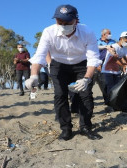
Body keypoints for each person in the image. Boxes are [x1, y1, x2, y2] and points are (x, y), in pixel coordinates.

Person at [25, 4, 102, 141]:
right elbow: (40, 56)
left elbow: (93, 59)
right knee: (60, 95)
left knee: (85, 95)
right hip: (58, 65)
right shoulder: (48, 32)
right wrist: (34, 75)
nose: (63, 25)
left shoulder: (87, 32)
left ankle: (85, 127)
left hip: (81, 64)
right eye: (59, 22)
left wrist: (86, 79)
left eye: (67, 22)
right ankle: (66, 129)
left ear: (76, 20)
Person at [101, 31, 127, 97]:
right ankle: (110, 104)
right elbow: (114, 59)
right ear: (121, 38)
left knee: (117, 88)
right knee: (110, 87)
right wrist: (125, 65)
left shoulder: (125, 49)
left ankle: (115, 103)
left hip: (117, 71)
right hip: (108, 70)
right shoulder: (113, 47)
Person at [94, 29, 116, 106]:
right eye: (109, 33)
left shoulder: (113, 42)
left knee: (112, 83)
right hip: (100, 64)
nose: (110, 34)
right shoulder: (96, 42)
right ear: (103, 35)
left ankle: (112, 101)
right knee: (104, 84)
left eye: (110, 33)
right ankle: (107, 101)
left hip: (111, 64)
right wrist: (97, 64)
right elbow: (94, 54)